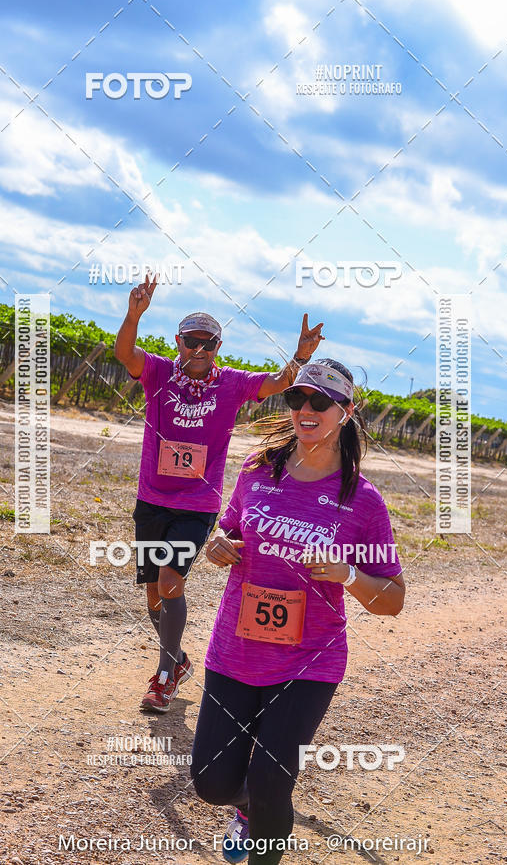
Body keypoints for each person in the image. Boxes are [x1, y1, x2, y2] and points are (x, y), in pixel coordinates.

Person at [191, 358, 405, 864]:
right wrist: (217, 544)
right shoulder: (257, 469)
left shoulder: (363, 501)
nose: (305, 410)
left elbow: (393, 599)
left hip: (310, 660)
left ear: (345, 412)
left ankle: (263, 819)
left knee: (270, 780)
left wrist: (348, 574)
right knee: (212, 783)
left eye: (320, 402)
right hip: (235, 651)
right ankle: (245, 808)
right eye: (296, 399)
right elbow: (228, 530)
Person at [114, 274, 325, 713]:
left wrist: (301, 357)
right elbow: (124, 354)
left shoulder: (230, 383)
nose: (199, 350)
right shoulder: (156, 372)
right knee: (154, 594)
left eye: (208, 343)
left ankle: (165, 676)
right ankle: (179, 658)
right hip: (152, 500)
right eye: (192, 341)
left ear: (218, 349)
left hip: (197, 505)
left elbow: (277, 383)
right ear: (178, 341)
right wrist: (134, 315)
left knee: (172, 580)